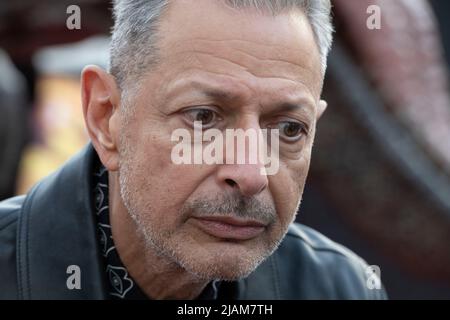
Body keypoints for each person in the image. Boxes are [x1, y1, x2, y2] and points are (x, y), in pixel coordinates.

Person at [0, 0, 386, 299]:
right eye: (203, 117)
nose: (251, 173)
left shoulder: (343, 287)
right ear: (105, 117)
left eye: (288, 129)